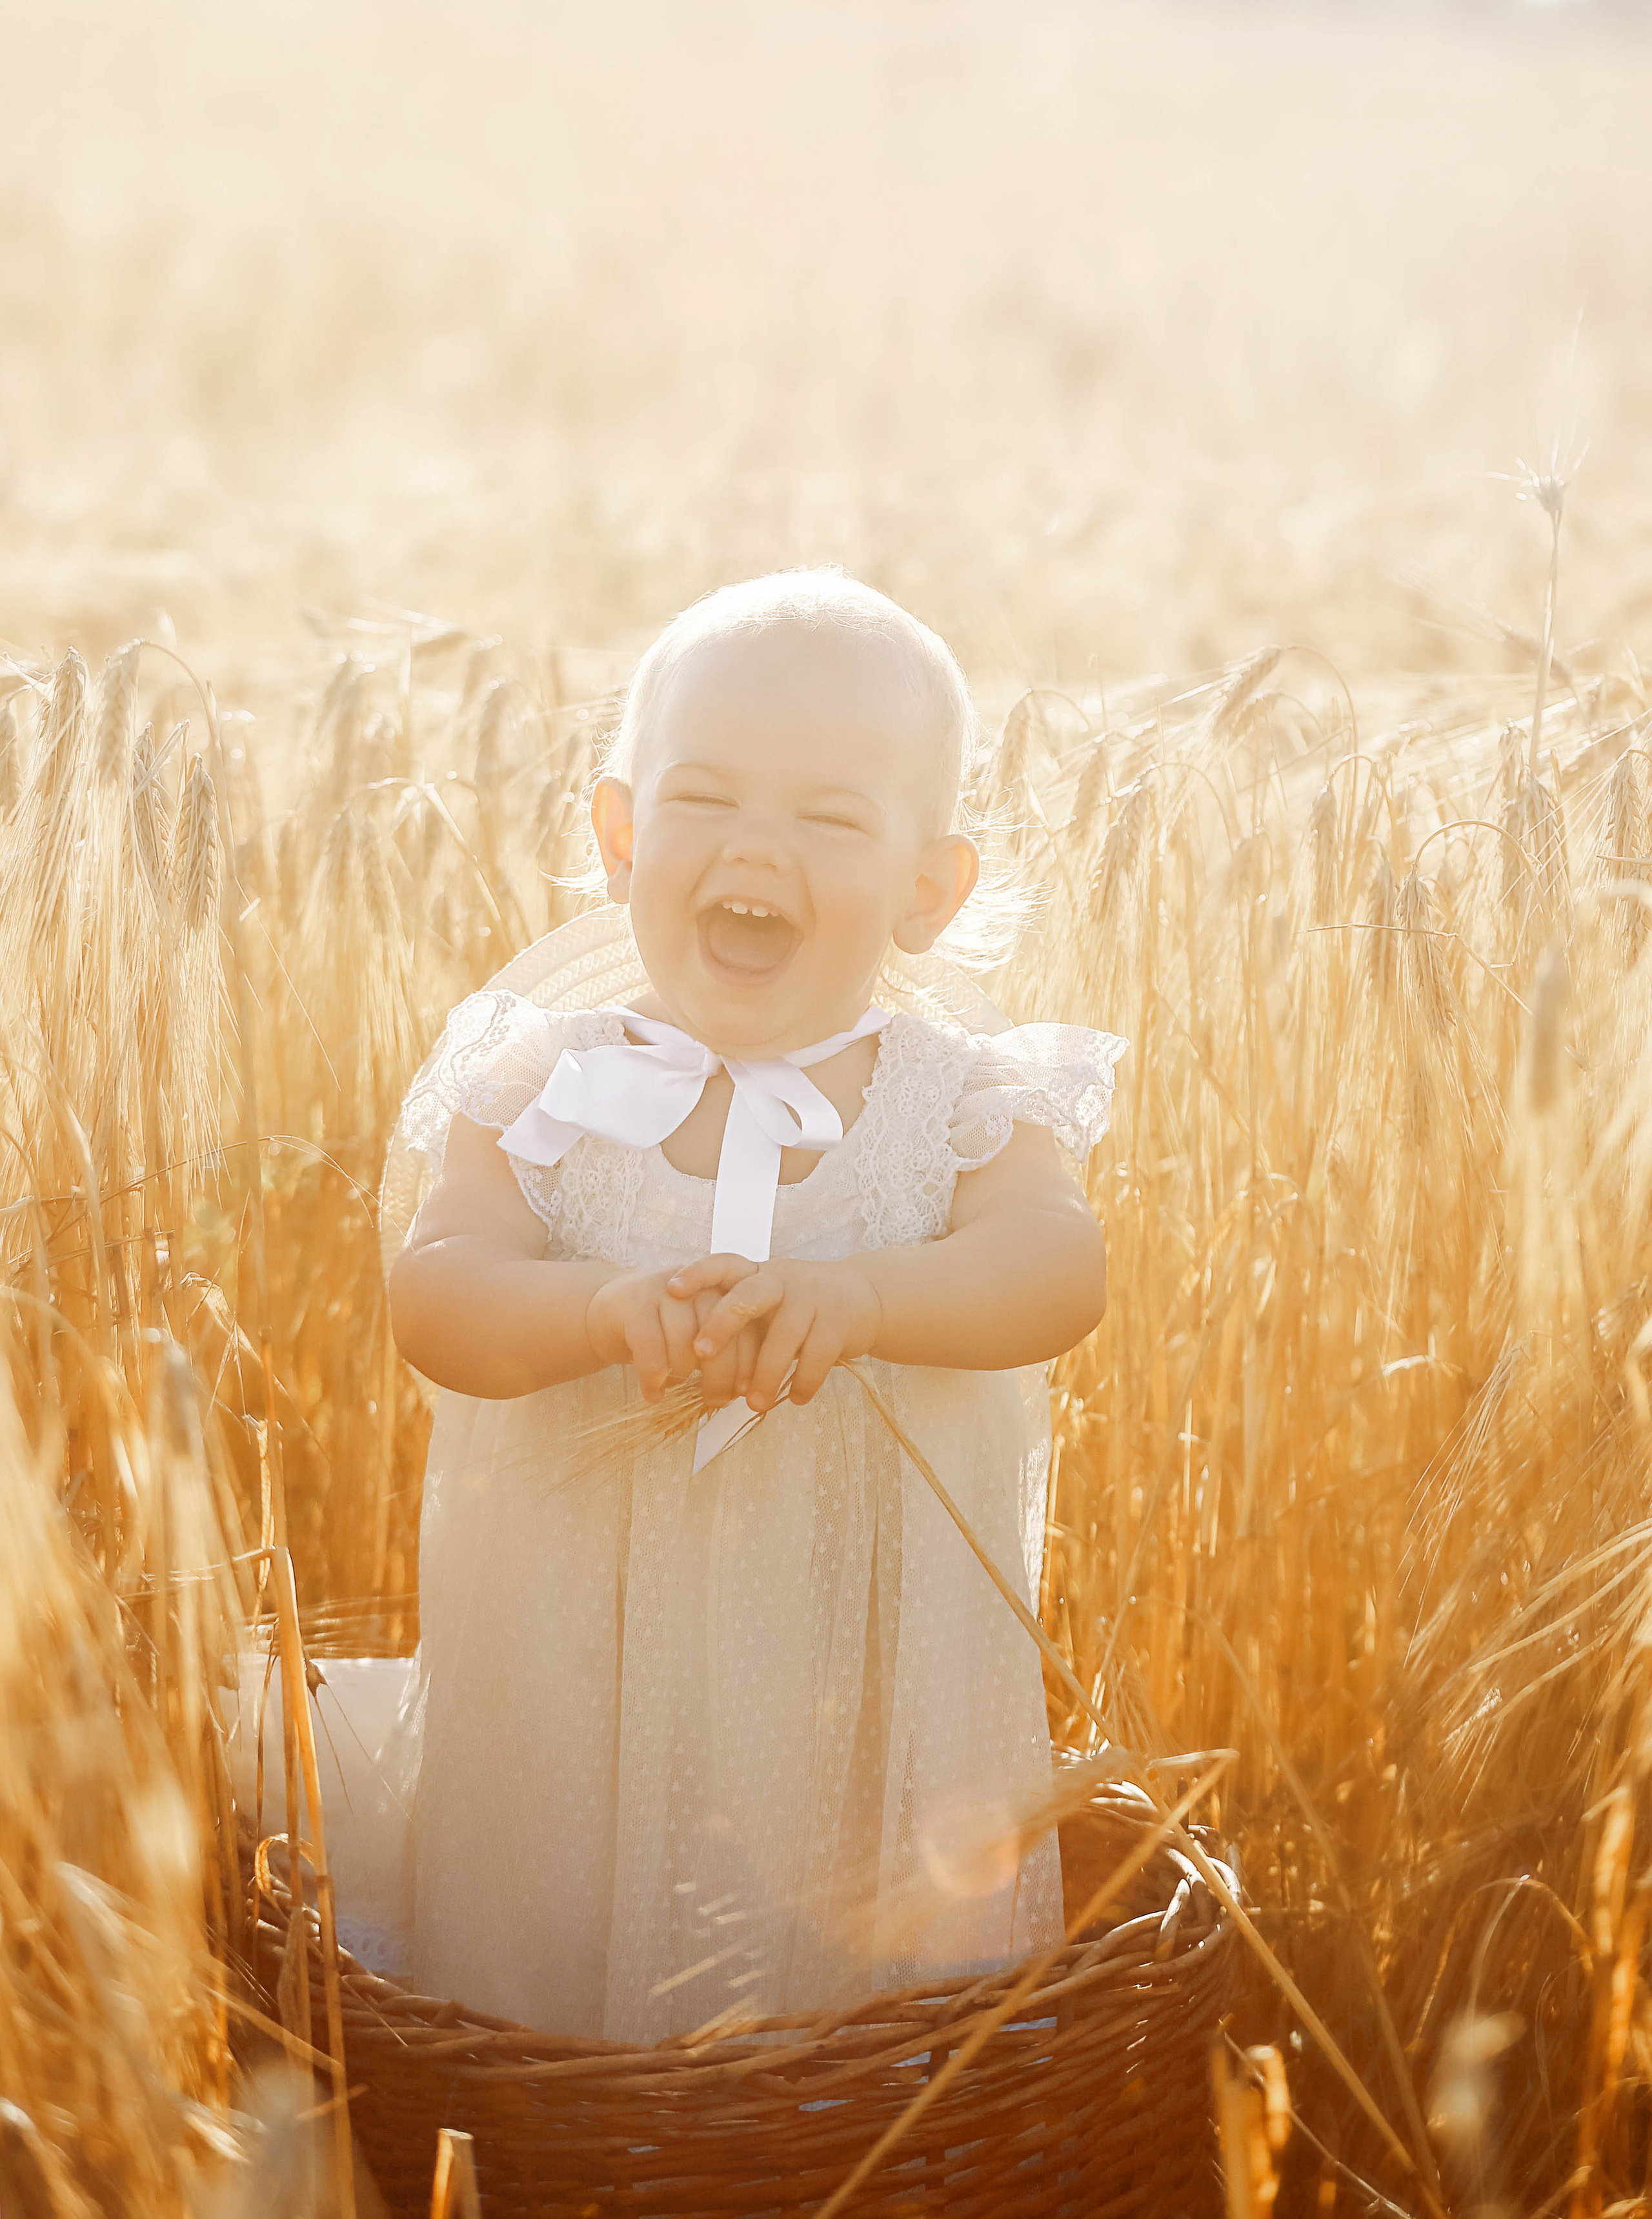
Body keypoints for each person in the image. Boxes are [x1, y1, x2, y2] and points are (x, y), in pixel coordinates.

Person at [383, 569, 1127, 2040]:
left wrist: (865, 1295)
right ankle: (563, 2125)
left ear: (928, 890)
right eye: (706, 797)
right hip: (572, 1672)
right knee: (553, 1973)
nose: (754, 847)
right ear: (620, 837)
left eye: (830, 818)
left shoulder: (956, 1098)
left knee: (850, 1976)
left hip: (858, 1682)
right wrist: (594, 1311)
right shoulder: (543, 1082)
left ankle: (848, 2119)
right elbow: (437, 1296)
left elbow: (1057, 1270)